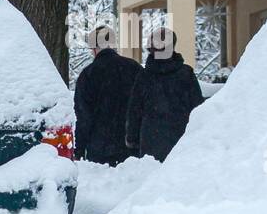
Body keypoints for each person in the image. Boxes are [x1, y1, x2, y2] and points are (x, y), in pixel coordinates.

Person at [125, 27, 204, 161]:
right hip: (181, 139)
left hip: (150, 141)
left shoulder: (144, 77)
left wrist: (132, 139)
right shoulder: (186, 74)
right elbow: (198, 108)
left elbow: (135, 110)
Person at [73, 25, 142, 165]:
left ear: (93, 49)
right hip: (131, 148)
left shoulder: (88, 74)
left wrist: (79, 149)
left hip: (100, 149)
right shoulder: (134, 68)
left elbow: (83, 116)